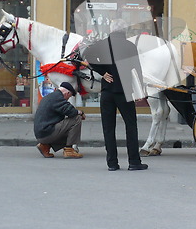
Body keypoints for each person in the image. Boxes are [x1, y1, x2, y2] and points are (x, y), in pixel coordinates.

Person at [85, 19, 148, 171]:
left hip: (107, 92)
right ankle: (134, 161)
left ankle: (112, 163)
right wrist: (140, 91)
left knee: (108, 128)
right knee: (131, 126)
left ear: (111, 30)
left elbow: (87, 54)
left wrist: (102, 72)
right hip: (125, 92)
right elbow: (137, 70)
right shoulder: (130, 46)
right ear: (124, 30)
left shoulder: (102, 44)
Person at [34, 81, 86, 158]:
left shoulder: (52, 96)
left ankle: (45, 146)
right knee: (76, 119)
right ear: (67, 93)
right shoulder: (58, 98)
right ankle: (69, 150)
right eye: (69, 97)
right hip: (47, 132)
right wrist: (80, 113)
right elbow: (70, 111)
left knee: (68, 126)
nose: (68, 99)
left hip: (42, 132)